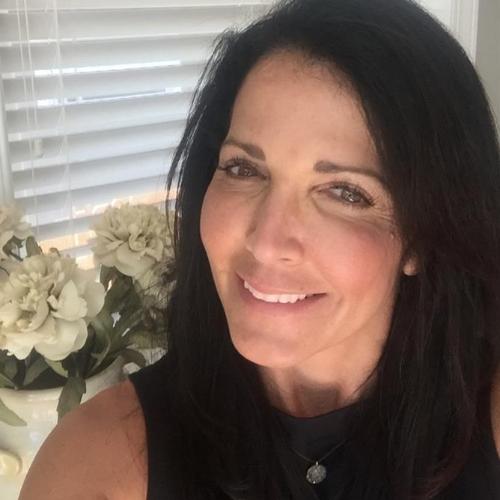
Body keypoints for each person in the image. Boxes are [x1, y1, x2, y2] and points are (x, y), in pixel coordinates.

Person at [19, 0, 500, 499]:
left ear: (422, 235)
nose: (267, 243)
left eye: (344, 193)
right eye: (243, 169)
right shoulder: (96, 463)